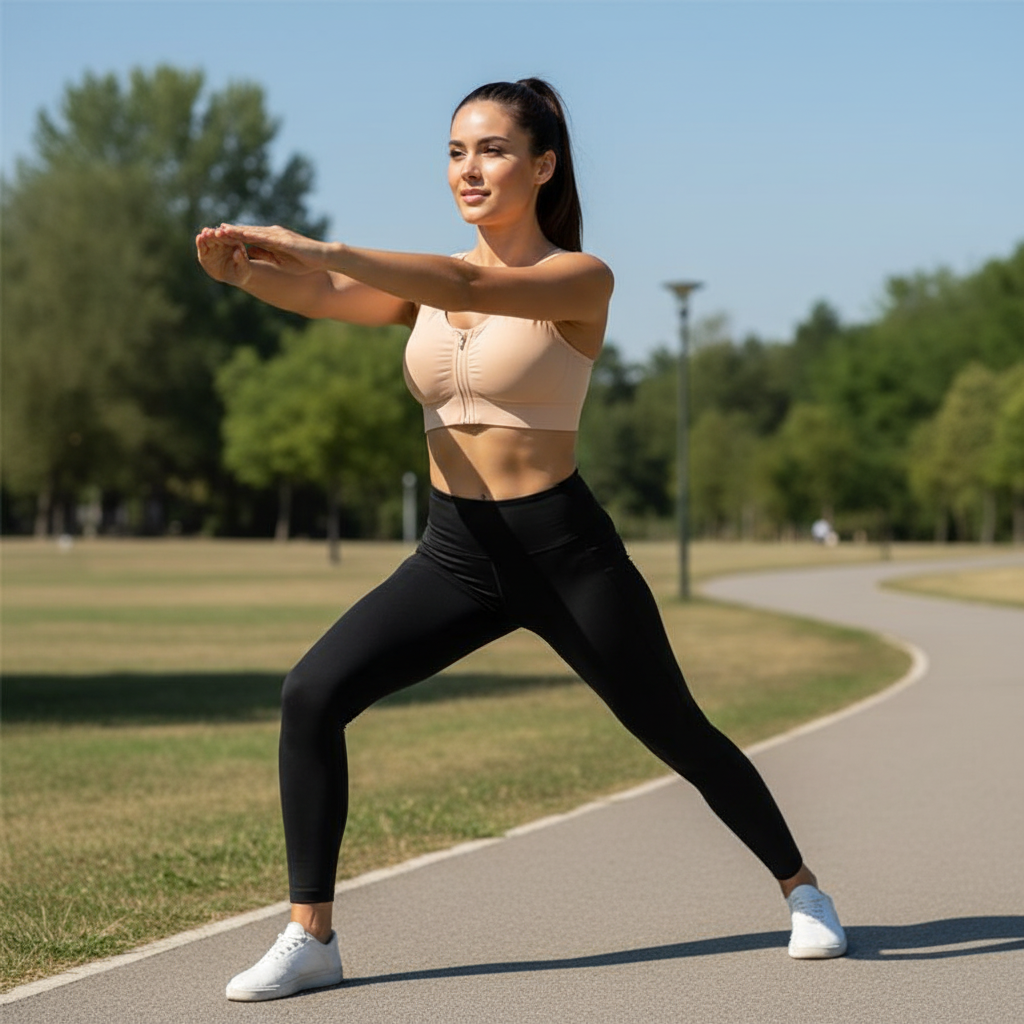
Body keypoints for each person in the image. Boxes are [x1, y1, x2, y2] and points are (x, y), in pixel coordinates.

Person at [197, 78, 846, 1003]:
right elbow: (341, 294)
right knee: (312, 693)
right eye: (457, 151)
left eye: (493, 150)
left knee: (676, 731)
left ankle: (803, 890)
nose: (470, 168)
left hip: (564, 555)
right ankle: (312, 936)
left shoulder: (579, 280)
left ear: (543, 166)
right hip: (455, 556)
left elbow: (462, 281)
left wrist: (320, 246)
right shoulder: (417, 289)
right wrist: (249, 275)